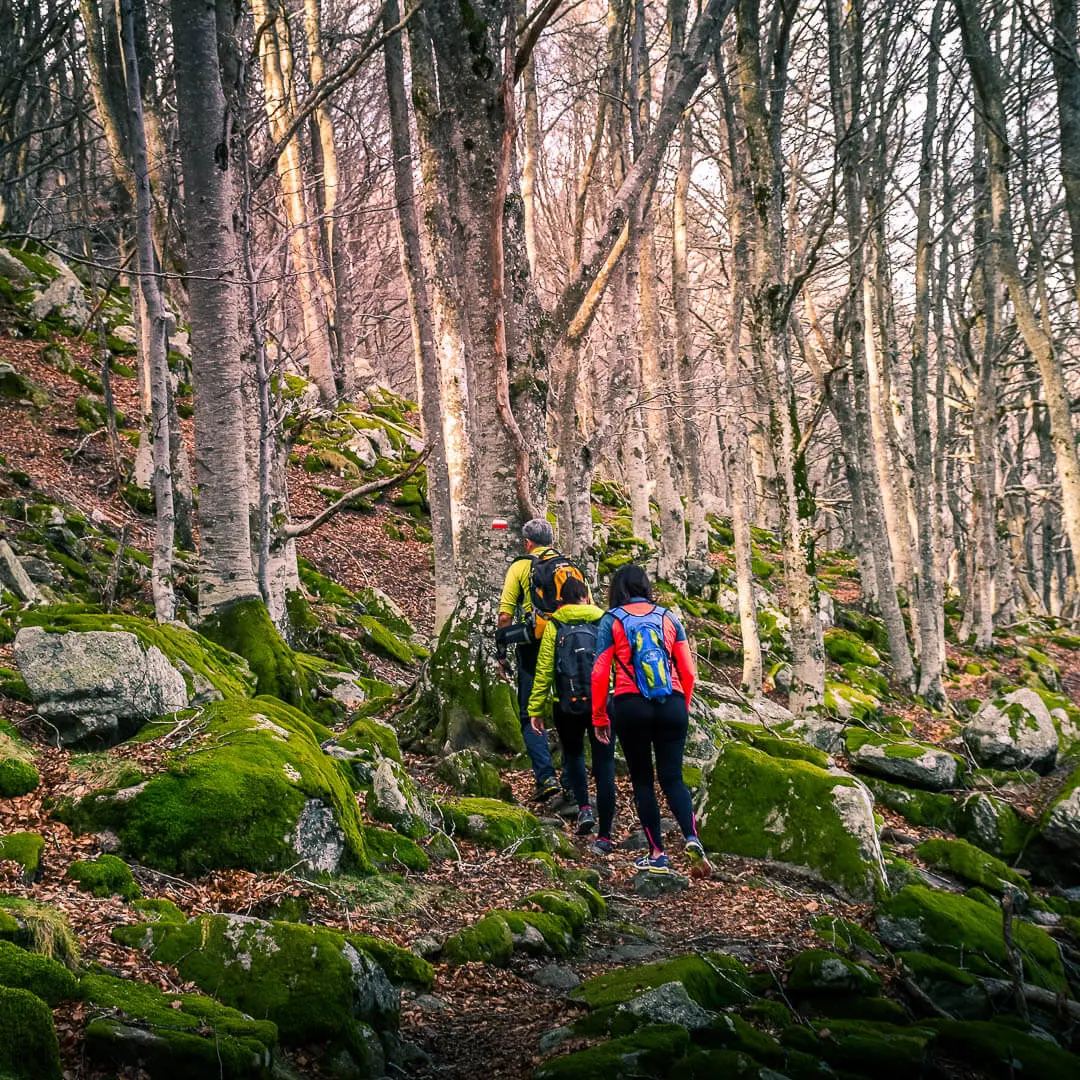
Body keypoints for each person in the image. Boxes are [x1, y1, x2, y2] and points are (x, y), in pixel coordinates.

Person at [591, 562, 709, 877]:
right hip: (671, 701)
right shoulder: (669, 617)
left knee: (642, 780)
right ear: (645, 586)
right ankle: (691, 837)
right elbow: (688, 671)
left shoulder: (611, 620)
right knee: (673, 778)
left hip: (630, 705)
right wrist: (682, 704)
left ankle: (657, 854)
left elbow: (600, 672)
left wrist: (599, 716)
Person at [497, 519, 586, 801]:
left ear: (528, 542)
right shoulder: (568, 566)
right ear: (551, 540)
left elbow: (505, 614)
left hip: (534, 644)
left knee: (528, 710)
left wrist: (501, 654)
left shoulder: (521, 566)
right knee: (568, 706)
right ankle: (571, 782)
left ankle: (546, 778)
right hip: (568, 641)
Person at [526, 577, 616, 846]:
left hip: (566, 703)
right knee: (604, 761)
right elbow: (617, 660)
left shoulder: (555, 624)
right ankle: (606, 828)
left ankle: (584, 808)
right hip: (604, 700)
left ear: (560, 601)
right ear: (586, 596)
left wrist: (535, 709)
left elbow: (544, 670)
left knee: (574, 755)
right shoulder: (604, 620)